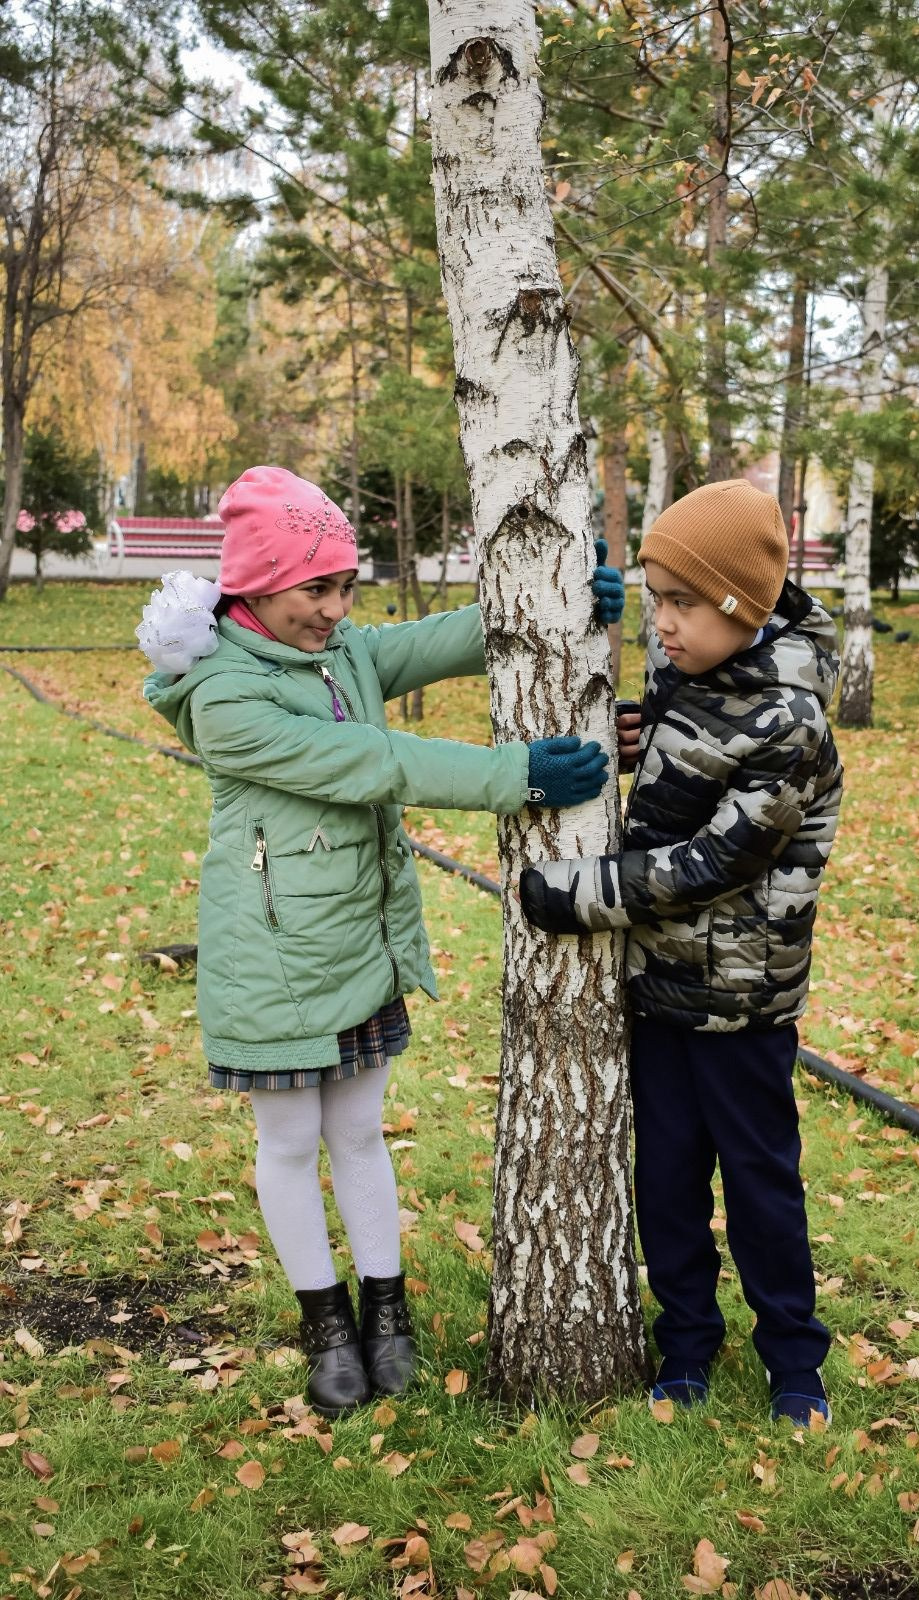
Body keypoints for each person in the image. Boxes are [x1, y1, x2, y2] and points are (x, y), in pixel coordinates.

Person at [137, 465, 623, 1418]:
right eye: (315, 589)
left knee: (360, 1130)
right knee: (289, 1141)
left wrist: (560, 595)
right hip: (275, 958)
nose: (336, 609)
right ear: (252, 590)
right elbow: (370, 761)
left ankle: (385, 1311)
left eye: (345, 586)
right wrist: (514, 773)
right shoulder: (226, 701)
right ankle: (324, 1322)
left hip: (357, 944)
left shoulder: (338, 651)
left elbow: (426, 644)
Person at [520, 479, 843, 1426]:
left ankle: (794, 1361)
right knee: (663, 1179)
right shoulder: (690, 674)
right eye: (656, 600)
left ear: (741, 607)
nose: (661, 624)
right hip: (659, 993)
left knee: (759, 1186)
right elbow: (681, 769)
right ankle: (686, 1345)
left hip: (743, 1004)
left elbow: (711, 862)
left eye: (682, 604)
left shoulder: (791, 721)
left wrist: (575, 897)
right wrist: (637, 733)